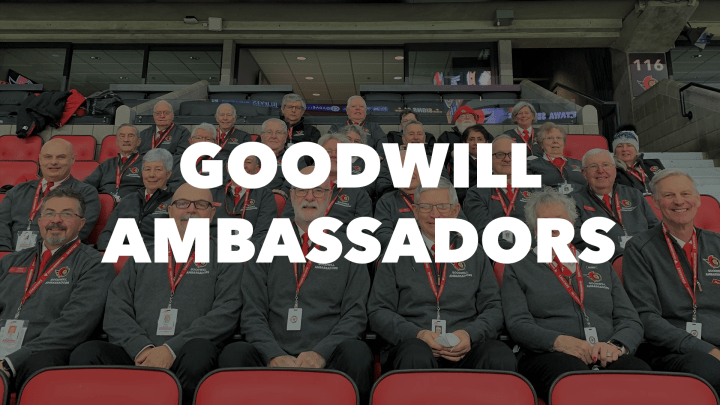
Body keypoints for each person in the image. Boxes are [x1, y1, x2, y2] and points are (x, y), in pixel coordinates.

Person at [70, 184, 241, 405]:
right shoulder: (142, 254)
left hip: (187, 355)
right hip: (137, 352)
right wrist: (142, 348)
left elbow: (226, 312)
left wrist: (170, 349)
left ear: (211, 214)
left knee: (199, 350)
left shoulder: (227, 258)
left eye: (200, 205)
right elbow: (116, 307)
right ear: (170, 212)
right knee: (87, 352)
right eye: (182, 204)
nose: (191, 210)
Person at [217, 179, 373, 404]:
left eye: (318, 191)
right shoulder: (263, 247)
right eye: (302, 190)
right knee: (234, 354)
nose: (309, 197)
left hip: (329, 354)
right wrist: (273, 354)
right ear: (291, 197)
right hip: (271, 352)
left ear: (329, 198)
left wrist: (321, 353)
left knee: (358, 353)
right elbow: (252, 313)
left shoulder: (351, 250)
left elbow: (355, 315)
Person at [502, 188, 650, 402]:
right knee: (574, 378)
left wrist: (616, 345)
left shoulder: (601, 264)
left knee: (640, 373)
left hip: (605, 350)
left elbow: (629, 319)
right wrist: (558, 342)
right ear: (534, 229)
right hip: (549, 354)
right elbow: (517, 323)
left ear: (571, 224)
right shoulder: (518, 266)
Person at [369, 178, 516, 374]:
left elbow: (494, 307)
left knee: (499, 355)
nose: (435, 214)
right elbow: (378, 310)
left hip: (465, 346)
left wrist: (469, 335)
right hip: (412, 345)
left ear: (455, 211)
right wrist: (417, 334)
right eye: (426, 207)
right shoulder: (394, 251)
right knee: (415, 353)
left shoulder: (474, 252)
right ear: (415, 210)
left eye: (443, 207)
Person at [0, 188, 114, 388]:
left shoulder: (95, 264)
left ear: (81, 223)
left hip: (41, 354)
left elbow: (75, 323)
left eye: (67, 214)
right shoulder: (10, 261)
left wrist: (13, 360)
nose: (56, 220)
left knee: (41, 365)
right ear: (40, 220)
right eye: (49, 213)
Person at [623, 169, 720, 394]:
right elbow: (646, 317)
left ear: (697, 200)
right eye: (668, 196)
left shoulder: (717, 244)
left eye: (685, 193)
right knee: (710, 369)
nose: (679, 201)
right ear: (656, 203)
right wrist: (706, 349)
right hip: (671, 349)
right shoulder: (639, 248)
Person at [0, 138, 100, 251]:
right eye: (48, 157)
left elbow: (76, 232)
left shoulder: (85, 193)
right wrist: (5, 254)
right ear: (40, 159)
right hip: (10, 256)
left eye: (61, 157)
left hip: (55, 258)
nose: (53, 162)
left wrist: (33, 256)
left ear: (72, 160)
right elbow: (1, 224)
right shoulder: (18, 190)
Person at [570, 149, 659, 258]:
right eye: (593, 166)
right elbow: (576, 236)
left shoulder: (634, 194)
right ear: (584, 173)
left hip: (644, 257)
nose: (601, 170)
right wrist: (617, 252)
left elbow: (655, 228)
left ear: (615, 170)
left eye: (606, 165)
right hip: (605, 261)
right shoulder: (573, 200)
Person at [282, 135, 373, 233]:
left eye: (339, 152)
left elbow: (363, 232)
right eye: (328, 151)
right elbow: (286, 222)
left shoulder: (360, 194)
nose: (333, 155)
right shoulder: (301, 184)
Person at [464, 135, 538, 248]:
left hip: (534, 253)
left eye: (512, 154)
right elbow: (484, 233)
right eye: (500, 154)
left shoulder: (537, 189)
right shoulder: (476, 193)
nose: (507, 159)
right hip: (497, 256)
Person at [96, 149, 174, 251]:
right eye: (147, 169)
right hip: (121, 255)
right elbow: (107, 234)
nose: (151, 175)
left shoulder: (175, 201)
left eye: (158, 170)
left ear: (168, 174)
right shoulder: (127, 200)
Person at [211, 157, 277, 244]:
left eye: (248, 162)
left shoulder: (264, 194)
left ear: (257, 169)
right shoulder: (212, 192)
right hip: (215, 249)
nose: (242, 166)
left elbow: (264, 232)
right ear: (227, 167)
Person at [84, 124, 144, 201]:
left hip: (132, 205)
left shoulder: (147, 163)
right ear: (117, 142)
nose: (126, 140)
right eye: (122, 136)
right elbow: (87, 185)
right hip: (104, 204)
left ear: (138, 142)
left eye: (131, 136)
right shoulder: (107, 164)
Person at [527, 122, 586, 194]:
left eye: (559, 138)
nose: (555, 141)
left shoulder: (579, 164)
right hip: (549, 202)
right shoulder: (532, 166)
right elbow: (532, 190)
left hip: (581, 202)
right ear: (541, 144)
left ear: (564, 143)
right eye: (550, 138)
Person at [259, 118, 308, 192]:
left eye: (278, 132)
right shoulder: (250, 157)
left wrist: (280, 196)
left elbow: (300, 184)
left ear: (285, 136)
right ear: (262, 136)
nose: (274, 136)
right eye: (269, 132)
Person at [612, 125, 665, 194]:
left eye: (629, 145)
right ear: (615, 152)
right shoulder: (611, 171)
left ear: (636, 150)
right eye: (620, 146)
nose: (624, 149)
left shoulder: (652, 164)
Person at [449, 124, 494, 204]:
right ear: (465, 142)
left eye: (480, 139)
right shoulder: (459, 160)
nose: (475, 143)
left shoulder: (496, 159)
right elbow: (460, 192)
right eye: (471, 139)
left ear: (487, 142)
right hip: (469, 203)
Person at [168, 123, 221, 190]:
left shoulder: (222, 163)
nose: (203, 142)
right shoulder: (174, 161)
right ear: (191, 141)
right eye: (198, 138)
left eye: (208, 139)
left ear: (215, 143)